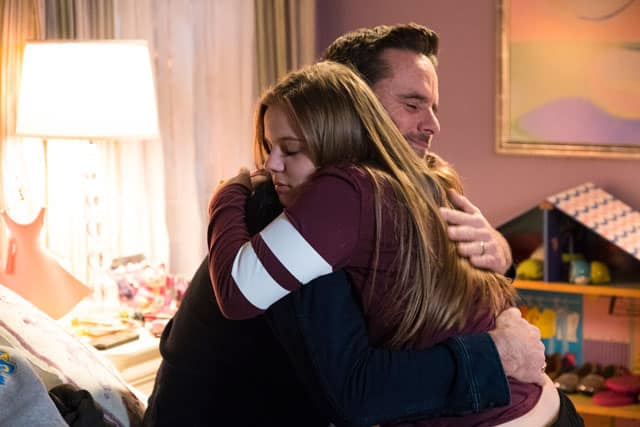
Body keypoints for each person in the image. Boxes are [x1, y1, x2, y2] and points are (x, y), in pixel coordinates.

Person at [145, 24, 551, 427]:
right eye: (412, 105)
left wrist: (499, 253)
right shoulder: (301, 207)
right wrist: (496, 356)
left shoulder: (403, 187)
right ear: (351, 105)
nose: (432, 125)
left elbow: (451, 299)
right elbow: (360, 393)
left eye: (433, 108)